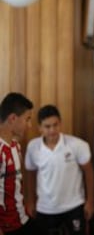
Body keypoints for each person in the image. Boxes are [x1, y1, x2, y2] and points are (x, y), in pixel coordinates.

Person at [25, 105, 94, 235]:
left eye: (55, 125)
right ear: (39, 127)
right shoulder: (33, 147)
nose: (52, 130)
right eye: (47, 126)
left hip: (74, 206)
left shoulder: (77, 145)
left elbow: (89, 172)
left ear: (60, 123)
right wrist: (30, 201)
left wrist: (90, 202)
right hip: (45, 208)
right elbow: (30, 175)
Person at [0, 93, 44, 235]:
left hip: (22, 219)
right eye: (27, 119)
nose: (30, 125)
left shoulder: (16, 146)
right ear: (13, 118)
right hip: (7, 228)